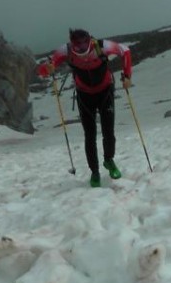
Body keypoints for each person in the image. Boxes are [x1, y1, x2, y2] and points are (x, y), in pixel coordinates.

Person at [37, 28, 133, 187]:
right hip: (84, 95)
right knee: (90, 135)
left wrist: (127, 76)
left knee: (108, 131)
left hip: (105, 91)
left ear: (90, 40)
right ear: (72, 43)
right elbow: (44, 69)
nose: (81, 47)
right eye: (77, 45)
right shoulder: (65, 50)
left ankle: (109, 160)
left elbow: (125, 50)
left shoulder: (102, 46)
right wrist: (48, 68)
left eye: (84, 43)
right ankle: (94, 172)